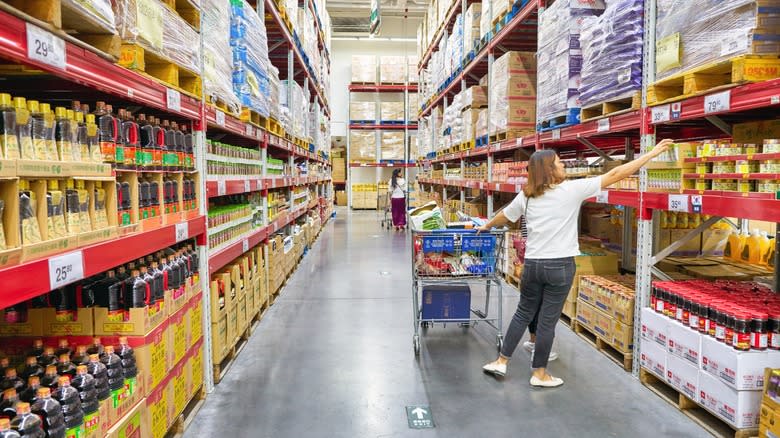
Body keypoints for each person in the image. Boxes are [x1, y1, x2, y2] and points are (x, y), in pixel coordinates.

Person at [480, 139, 673, 387]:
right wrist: (652, 153)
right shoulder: (572, 190)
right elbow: (616, 173)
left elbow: (504, 216)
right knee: (548, 320)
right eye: (560, 164)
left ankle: (501, 361)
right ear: (550, 170)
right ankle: (539, 373)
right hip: (559, 267)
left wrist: (485, 226)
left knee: (523, 312)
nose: (564, 168)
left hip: (533, 265)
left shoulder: (526, 196)